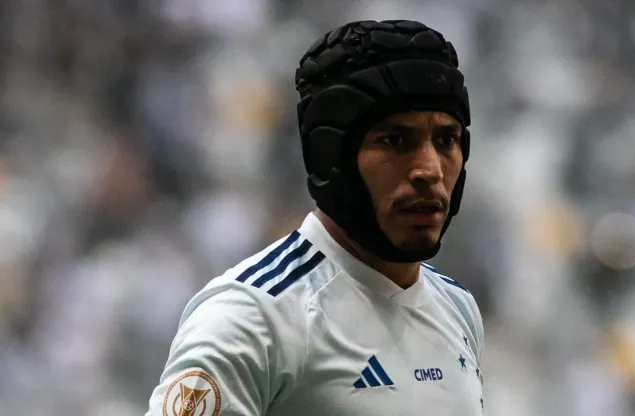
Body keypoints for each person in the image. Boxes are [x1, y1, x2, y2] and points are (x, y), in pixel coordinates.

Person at [146, 19, 484, 416]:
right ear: (333, 157)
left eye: (446, 140)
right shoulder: (252, 319)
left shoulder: (457, 308)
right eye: (395, 140)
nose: (430, 169)